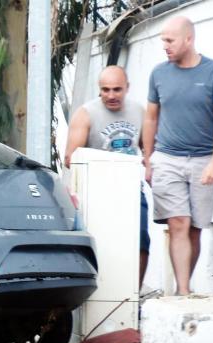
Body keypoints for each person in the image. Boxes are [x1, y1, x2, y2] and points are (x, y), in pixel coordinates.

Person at [142, 16, 213, 296]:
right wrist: (148, 159)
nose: (165, 46)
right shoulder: (159, 74)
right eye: (163, 41)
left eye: (169, 40)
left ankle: (186, 285)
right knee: (178, 222)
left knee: (195, 229)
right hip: (167, 159)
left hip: (204, 160)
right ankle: (182, 291)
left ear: (188, 39)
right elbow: (150, 118)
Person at [65, 65, 149, 288]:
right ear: (99, 89)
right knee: (102, 244)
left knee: (141, 242)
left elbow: (149, 148)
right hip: (98, 189)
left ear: (127, 88)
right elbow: (70, 158)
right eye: (106, 90)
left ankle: (134, 295)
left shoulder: (139, 112)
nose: (111, 95)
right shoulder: (86, 114)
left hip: (131, 188)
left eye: (117, 90)